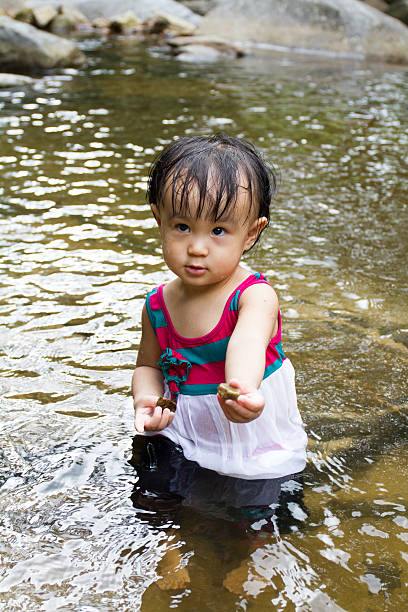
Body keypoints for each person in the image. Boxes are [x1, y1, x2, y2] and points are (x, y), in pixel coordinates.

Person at [132, 133, 307, 483]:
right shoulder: (157, 306)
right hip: (181, 433)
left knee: (254, 520)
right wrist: (147, 400)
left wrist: (243, 389)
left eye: (218, 230)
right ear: (159, 221)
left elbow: (247, 343)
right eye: (182, 227)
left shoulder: (253, 296)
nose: (197, 247)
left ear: (251, 234)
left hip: (249, 440)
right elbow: (148, 366)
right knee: (152, 500)